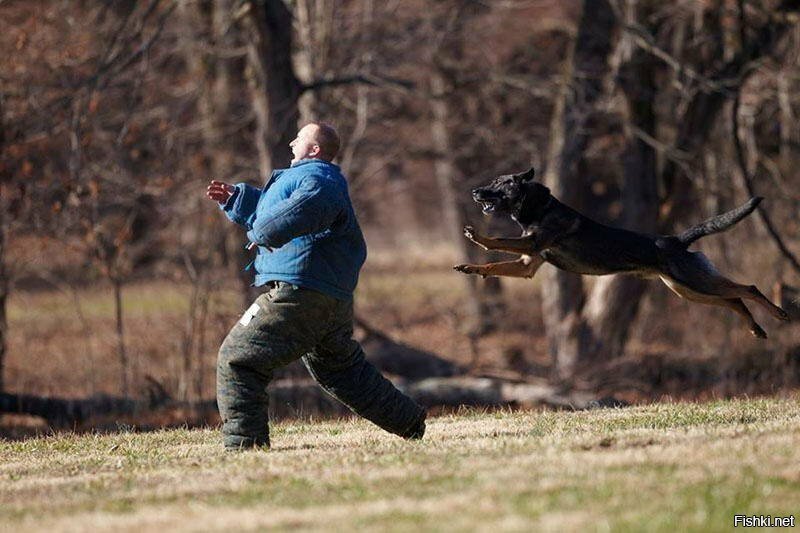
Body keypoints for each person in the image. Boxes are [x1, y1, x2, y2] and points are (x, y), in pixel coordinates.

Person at [206, 122, 426, 450]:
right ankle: (409, 421)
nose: (293, 139)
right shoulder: (310, 177)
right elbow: (282, 211)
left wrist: (262, 233)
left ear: (315, 150)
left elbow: (302, 209)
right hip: (327, 296)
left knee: (237, 358)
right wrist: (239, 199)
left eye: (301, 137)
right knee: (342, 371)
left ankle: (244, 447)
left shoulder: (320, 178)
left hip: (301, 292)